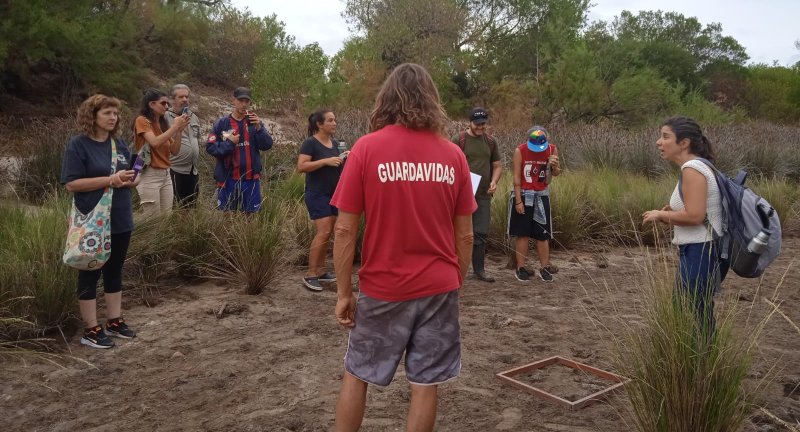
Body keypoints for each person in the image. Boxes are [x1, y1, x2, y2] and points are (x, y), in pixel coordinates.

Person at [331, 63, 476, 432]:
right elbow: (467, 235)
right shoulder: (454, 156)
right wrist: (454, 279)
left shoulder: (366, 149)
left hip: (383, 287)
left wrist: (344, 292)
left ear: (387, 100)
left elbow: (345, 230)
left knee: (357, 373)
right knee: (425, 383)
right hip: (439, 286)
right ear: (432, 100)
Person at [61, 94, 140, 349]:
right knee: (90, 272)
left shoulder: (118, 143)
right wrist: (110, 180)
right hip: (92, 221)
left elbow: (127, 175)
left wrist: (131, 179)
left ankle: (114, 320)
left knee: (115, 270)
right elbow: (72, 184)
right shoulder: (79, 145)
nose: (112, 117)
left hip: (119, 217)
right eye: (107, 113)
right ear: (92, 115)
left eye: (115, 113)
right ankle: (91, 328)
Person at [643, 116, 727, 332]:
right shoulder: (698, 167)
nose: (658, 142)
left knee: (692, 312)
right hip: (699, 249)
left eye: (665, 136)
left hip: (701, 251)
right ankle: (703, 362)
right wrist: (671, 214)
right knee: (693, 310)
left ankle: (703, 363)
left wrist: (660, 216)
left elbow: (695, 216)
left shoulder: (693, 169)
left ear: (684, 143)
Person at [297, 109, 349, 291]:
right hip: (317, 193)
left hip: (334, 193)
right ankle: (310, 274)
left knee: (329, 232)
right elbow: (301, 166)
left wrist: (343, 158)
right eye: (330, 120)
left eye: (335, 120)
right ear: (320, 124)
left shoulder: (335, 143)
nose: (334, 123)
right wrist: (325, 162)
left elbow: (336, 165)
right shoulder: (310, 143)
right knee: (324, 231)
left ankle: (320, 270)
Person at [451, 107, 502, 282]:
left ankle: (479, 270)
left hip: (483, 195)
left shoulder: (490, 141)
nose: (480, 127)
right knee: (457, 232)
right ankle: (455, 269)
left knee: (481, 232)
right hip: (461, 195)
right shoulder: (459, 140)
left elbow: (497, 165)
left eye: (483, 124)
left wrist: (494, 181)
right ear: (469, 122)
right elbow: (450, 165)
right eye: (477, 124)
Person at [206, 87, 274, 212]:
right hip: (228, 179)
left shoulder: (254, 122)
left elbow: (267, 145)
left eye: (246, 101)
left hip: (251, 179)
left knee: (250, 217)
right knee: (227, 216)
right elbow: (210, 147)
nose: (243, 104)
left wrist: (259, 128)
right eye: (240, 100)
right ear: (233, 100)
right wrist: (229, 143)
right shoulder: (222, 123)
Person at [509, 126, 561, 282]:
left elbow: (556, 174)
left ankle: (544, 267)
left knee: (542, 234)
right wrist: (518, 200)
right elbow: (517, 177)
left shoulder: (552, 149)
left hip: (541, 195)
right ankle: (521, 267)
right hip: (524, 194)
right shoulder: (520, 150)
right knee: (522, 233)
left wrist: (554, 166)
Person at [133, 88, 191, 217]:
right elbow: (154, 142)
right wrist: (175, 127)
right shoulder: (142, 120)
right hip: (149, 174)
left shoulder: (162, 123)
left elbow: (174, 151)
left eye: (167, 104)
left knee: (166, 217)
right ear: (152, 104)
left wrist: (179, 131)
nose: (166, 106)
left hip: (166, 174)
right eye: (163, 103)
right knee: (153, 221)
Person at [165, 84, 202, 208]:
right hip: (174, 170)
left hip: (192, 171)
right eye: (181, 97)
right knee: (174, 208)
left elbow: (197, 139)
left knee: (190, 208)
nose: (185, 99)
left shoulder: (194, 117)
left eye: (187, 96)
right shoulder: (164, 117)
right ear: (172, 100)